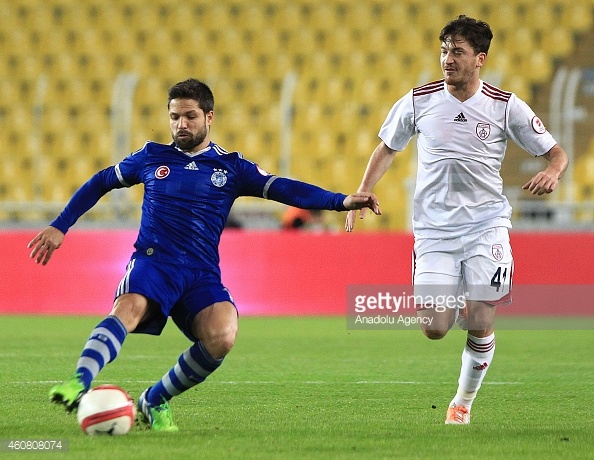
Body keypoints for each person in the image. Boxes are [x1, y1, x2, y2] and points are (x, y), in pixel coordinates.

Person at [29, 78, 381, 432]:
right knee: (129, 308)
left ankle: (154, 399)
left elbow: (285, 189)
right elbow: (101, 181)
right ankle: (79, 381)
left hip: (200, 273)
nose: (181, 124)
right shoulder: (152, 156)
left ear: (209, 117)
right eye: (174, 117)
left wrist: (341, 201)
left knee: (223, 335)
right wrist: (61, 225)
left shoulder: (231, 167)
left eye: (190, 116)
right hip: (154, 261)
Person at [346, 16, 568, 425]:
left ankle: (462, 403)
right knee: (434, 327)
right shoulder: (419, 100)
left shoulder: (505, 106)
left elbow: (556, 152)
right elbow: (387, 147)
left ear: (479, 59)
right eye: (444, 51)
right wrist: (363, 189)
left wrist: (552, 172)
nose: (448, 60)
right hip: (434, 230)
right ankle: (463, 300)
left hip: (487, 226)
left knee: (481, 320)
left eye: (458, 52)